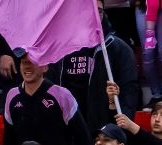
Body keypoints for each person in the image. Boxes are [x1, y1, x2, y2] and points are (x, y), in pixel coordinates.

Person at [1, 54, 92, 145]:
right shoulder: (12, 95)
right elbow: (8, 141)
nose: (27, 67)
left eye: (33, 62)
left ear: (45, 67)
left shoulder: (61, 95)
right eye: (24, 63)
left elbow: (82, 137)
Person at [51, 0, 138, 132]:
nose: (95, 15)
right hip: (68, 130)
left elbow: (129, 92)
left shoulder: (118, 49)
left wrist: (120, 133)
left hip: (102, 133)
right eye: (89, 10)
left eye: (99, 11)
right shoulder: (59, 49)